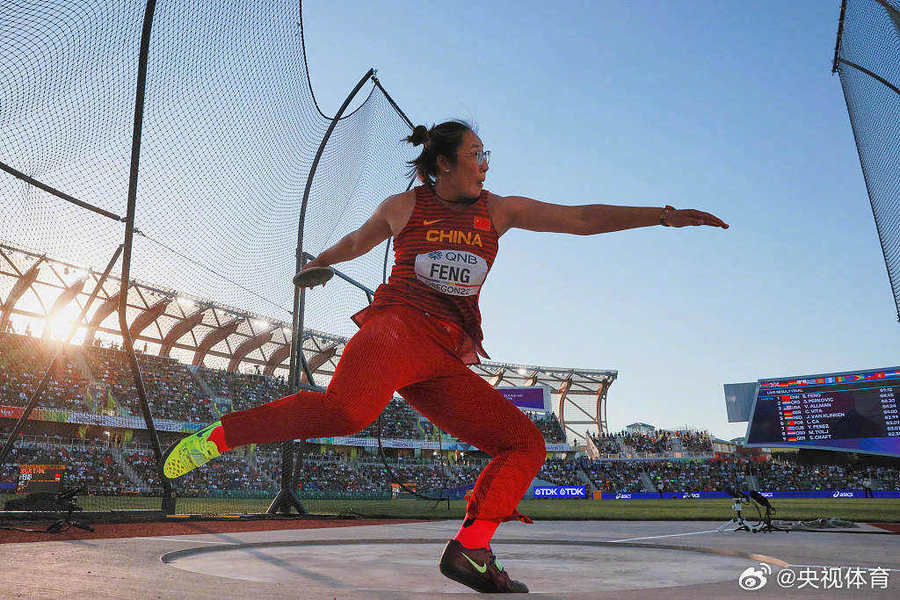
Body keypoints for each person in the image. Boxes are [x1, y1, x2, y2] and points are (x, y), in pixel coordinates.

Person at [163, 120, 728, 593]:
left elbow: (579, 219)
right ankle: (217, 436)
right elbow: (359, 242)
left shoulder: (500, 210)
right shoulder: (405, 205)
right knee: (348, 414)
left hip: (444, 354)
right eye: (477, 154)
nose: (486, 162)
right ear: (446, 164)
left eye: (487, 154)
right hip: (395, 330)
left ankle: (471, 552)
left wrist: (661, 213)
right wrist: (324, 261)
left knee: (524, 442)